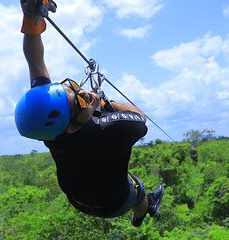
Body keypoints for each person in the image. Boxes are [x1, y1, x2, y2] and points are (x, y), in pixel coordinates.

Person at [15, 0, 164, 227]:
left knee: (113, 174)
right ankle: (146, 208)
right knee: (137, 188)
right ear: (75, 122)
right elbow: (139, 117)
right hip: (115, 203)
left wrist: (31, 19)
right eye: (74, 93)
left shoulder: (50, 127)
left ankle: (143, 203)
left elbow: (35, 61)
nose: (74, 87)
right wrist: (104, 103)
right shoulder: (112, 131)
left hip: (78, 200)